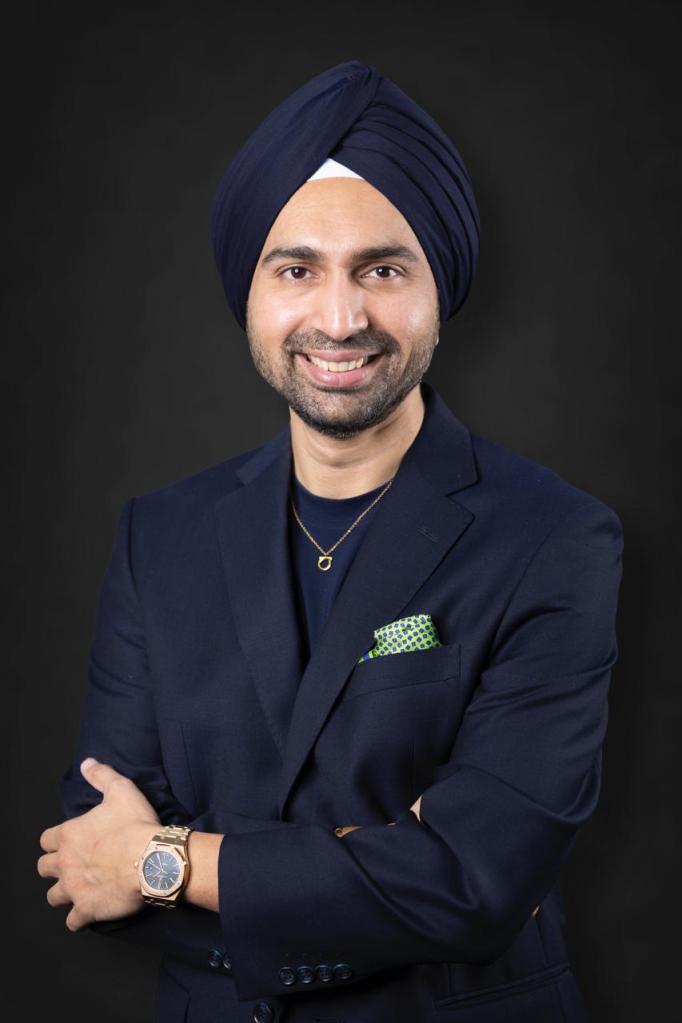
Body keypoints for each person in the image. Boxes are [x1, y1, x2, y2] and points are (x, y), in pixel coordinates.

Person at [37, 60, 624, 1023]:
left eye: (383, 270)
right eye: (297, 269)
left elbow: (476, 882)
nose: (341, 320)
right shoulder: (160, 536)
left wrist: (168, 860)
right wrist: (382, 864)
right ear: (250, 290)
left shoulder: (555, 537)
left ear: (440, 287)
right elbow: (89, 853)